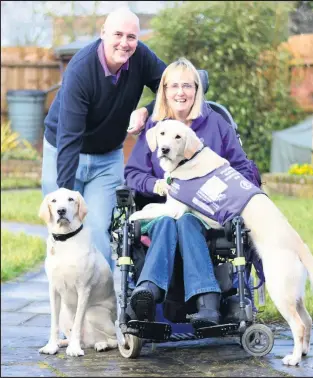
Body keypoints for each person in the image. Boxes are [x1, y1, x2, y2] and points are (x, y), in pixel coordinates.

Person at [124, 57, 261, 329]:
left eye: (187, 85)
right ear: (164, 90)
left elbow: (243, 168)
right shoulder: (155, 127)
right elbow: (133, 173)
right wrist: (157, 185)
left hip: (207, 212)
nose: (180, 92)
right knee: (168, 222)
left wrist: (234, 196)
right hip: (163, 208)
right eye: (173, 86)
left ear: (197, 90)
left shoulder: (216, 124)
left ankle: (197, 299)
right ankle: (152, 295)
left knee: (186, 221)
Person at [41, 8, 167, 271]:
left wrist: (147, 109)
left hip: (107, 157)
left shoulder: (141, 56)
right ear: (102, 34)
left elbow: (173, 86)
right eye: (118, 34)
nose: (124, 42)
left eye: (131, 36)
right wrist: (65, 195)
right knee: (64, 229)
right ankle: (65, 306)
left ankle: (100, 307)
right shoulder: (81, 70)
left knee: (98, 231)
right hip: (63, 150)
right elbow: (69, 138)